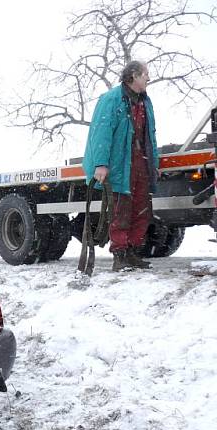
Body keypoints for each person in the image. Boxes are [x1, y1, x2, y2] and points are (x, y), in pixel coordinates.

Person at [83, 60, 159, 272]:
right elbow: (101, 134)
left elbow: (151, 134)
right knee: (121, 209)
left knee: (141, 208)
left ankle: (132, 252)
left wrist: (154, 162)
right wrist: (101, 163)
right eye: (145, 74)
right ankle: (120, 254)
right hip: (120, 163)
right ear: (133, 75)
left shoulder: (146, 101)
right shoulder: (111, 99)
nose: (148, 78)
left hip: (141, 162)